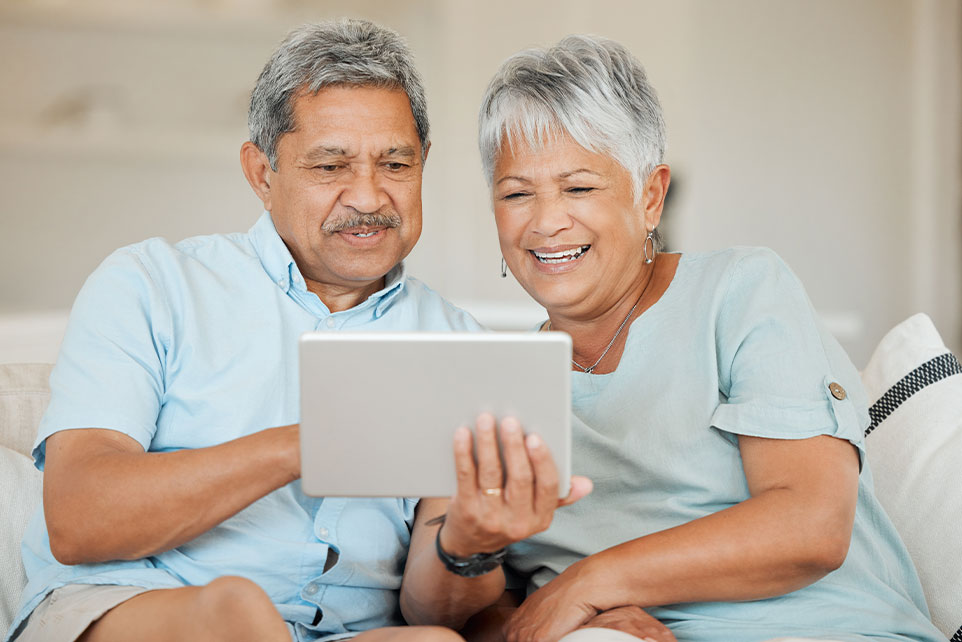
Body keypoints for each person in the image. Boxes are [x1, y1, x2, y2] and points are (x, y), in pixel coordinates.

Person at [400, 35, 947, 642]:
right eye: (516, 193)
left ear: (650, 196)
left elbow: (810, 526)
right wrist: (574, 619)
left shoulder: (739, 291)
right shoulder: (496, 386)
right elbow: (474, 616)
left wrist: (589, 584)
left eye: (579, 187)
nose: (546, 220)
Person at [6, 18, 493, 642]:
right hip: (137, 605)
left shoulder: (460, 344)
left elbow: (436, 608)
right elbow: (79, 520)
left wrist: (474, 541)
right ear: (262, 174)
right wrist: (305, 444)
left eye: (396, 163)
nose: (369, 195)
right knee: (234, 615)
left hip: (342, 632)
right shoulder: (152, 284)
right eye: (330, 167)